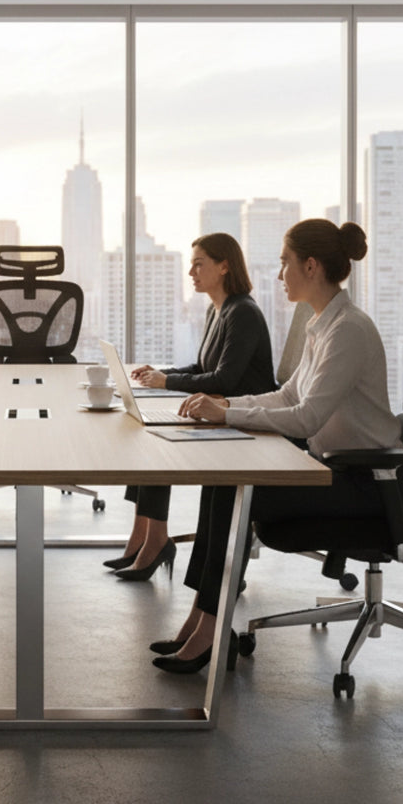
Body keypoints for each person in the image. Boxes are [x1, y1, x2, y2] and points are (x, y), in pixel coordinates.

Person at [152, 218, 403, 674]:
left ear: (310, 266)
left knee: (231, 488)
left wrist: (227, 413)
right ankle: (201, 617)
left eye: (284, 263)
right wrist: (225, 403)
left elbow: (306, 418)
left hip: (365, 484)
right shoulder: (322, 323)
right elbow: (288, 395)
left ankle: (210, 627)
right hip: (335, 470)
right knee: (220, 480)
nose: (278, 274)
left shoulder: (347, 330)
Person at [108, 233, 274, 581]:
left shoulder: (242, 312)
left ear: (224, 266)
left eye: (199, 264)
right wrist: (160, 374)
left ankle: (153, 542)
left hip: (242, 423)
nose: (191, 272)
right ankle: (145, 538)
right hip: (218, 415)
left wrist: (166, 383)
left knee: (156, 442)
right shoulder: (221, 309)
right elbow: (203, 368)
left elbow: (225, 380)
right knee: (149, 436)